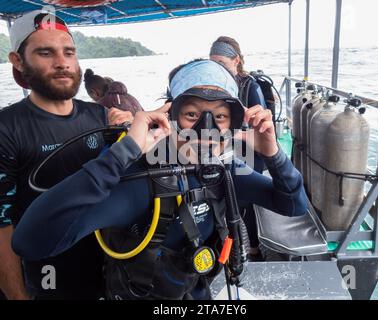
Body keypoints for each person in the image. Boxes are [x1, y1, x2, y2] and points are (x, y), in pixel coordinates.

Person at [12, 59, 307, 300]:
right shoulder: (140, 180)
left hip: (196, 290)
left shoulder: (225, 172)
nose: (206, 129)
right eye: (192, 114)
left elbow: (294, 206)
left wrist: (274, 153)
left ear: (234, 120)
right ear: (170, 114)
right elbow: (31, 242)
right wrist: (123, 152)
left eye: (219, 116)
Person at [0, 10, 132, 300]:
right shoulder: (6, 128)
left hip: (110, 269)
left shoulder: (100, 115)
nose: (62, 63)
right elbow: (2, 224)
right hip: (45, 276)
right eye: (46, 53)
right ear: (18, 61)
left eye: (69, 52)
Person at [210, 36, 271, 259]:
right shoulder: (214, 85)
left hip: (250, 151)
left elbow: (259, 125)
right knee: (222, 196)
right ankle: (224, 245)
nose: (218, 69)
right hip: (226, 149)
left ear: (236, 60)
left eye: (222, 63)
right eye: (213, 63)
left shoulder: (250, 87)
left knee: (244, 201)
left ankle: (253, 248)